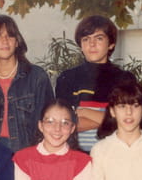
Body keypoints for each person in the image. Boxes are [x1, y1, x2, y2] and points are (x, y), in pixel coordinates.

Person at [0, 14, 53, 152]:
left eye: (10, 36)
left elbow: (48, 122)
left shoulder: (37, 77)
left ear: (17, 42)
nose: (5, 41)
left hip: (28, 152)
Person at [55, 15, 136, 152]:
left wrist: (84, 112)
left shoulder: (125, 79)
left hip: (115, 155)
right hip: (76, 156)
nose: (91, 44)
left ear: (111, 44)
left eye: (99, 38)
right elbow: (63, 125)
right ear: (80, 45)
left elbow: (130, 121)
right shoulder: (67, 78)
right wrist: (111, 119)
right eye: (86, 39)